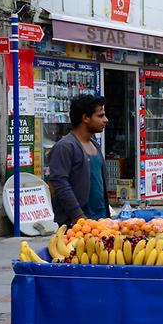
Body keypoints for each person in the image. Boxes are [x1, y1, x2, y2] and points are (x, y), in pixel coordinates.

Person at [47, 94, 110, 226]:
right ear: (85, 118)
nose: (105, 120)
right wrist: (77, 216)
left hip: (101, 222)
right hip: (77, 225)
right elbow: (59, 184)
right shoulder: (65, 147)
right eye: (100, 116)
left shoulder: (94, 144)